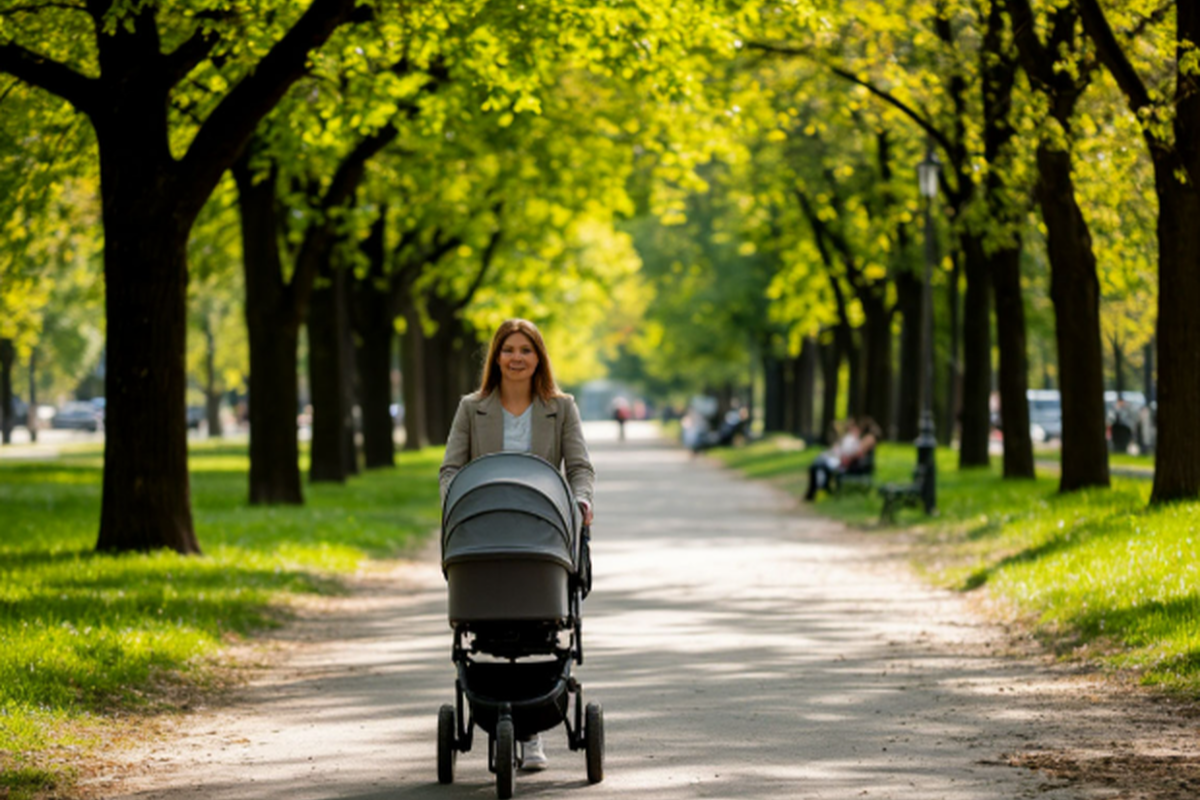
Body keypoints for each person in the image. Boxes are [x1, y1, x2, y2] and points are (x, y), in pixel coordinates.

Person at [439, 318, 595, 772]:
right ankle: (517, 727)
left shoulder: (560, 408)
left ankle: (532, 737)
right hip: (485, 529)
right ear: (497, 356)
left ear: (538, 357)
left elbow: (580, 467)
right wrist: (455, 503)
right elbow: (451, 468)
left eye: (526, 349)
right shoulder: (472, 408)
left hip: (539, 534)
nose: (517, 357)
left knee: (542, 623)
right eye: (509, 349)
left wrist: (581, 501)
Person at [803, 417, 878, 500]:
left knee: (818, 465)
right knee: (817, 465)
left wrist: (845, 458)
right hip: (846, 463)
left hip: (850, 466)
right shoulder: (860, 439)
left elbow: (857, 454)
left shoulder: (868, 439)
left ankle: (818, 491)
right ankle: (820, 490)